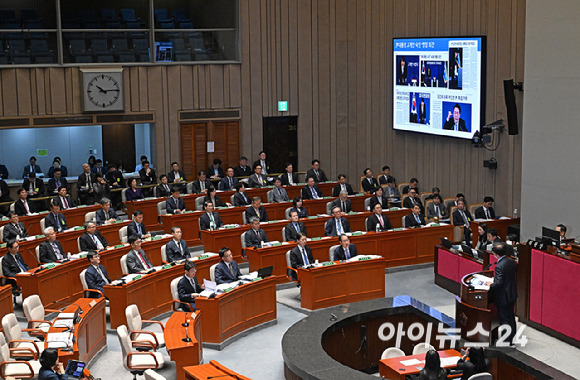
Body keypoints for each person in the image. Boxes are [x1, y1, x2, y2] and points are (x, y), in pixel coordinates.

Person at [489, 242, 518, 346]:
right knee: (511, 318)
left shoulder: (499, 266)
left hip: (503, 297)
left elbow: (498, 283)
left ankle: (507, 342)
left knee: (504, 319)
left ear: (496, 254)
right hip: (512, 294)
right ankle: (512, 340)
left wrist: (489, 285)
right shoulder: (511, 261)